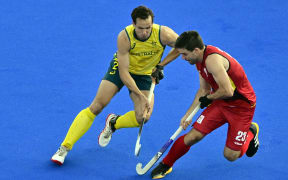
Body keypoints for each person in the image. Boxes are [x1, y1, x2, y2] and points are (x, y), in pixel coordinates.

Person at [51, 5, 179, 165]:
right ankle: (64, 148)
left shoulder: (163, 34)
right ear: (133, 23)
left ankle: (113, 123)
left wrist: (161, 65)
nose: (145, 32)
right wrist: (140, 95)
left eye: (148, 27)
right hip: (122, 69)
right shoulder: (124, 37)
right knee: (97, 106)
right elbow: (124, 74)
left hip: (145, 74)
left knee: (143, 118)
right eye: (141, 28)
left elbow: (182, 46)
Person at [151, 31, 259, 179]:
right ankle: (166, 164)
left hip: (241, 107)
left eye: (184, 54)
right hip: (221, 102)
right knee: (193, 136)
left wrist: (209, 98)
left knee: (231, 155)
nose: (182, 58)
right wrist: (188, 114)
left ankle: (251, 131)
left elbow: (228, 91)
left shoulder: (212, 61)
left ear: (195, 50)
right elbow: (204, 90)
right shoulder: (199, 60)